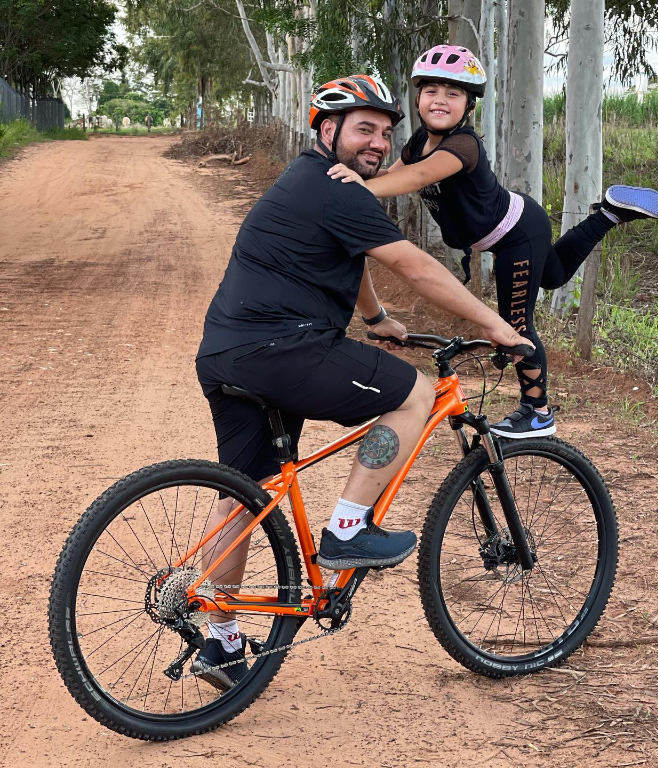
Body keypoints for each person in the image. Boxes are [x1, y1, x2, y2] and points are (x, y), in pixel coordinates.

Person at [192, 74, 530, 690]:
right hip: (283, 349)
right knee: (417, 393)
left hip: (225, 353)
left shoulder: (309, 183)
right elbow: (413, 264)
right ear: (327, 130)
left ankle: (220, 639)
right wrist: (497, 326)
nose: (376, 143)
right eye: (362, 129)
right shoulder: (337, 187)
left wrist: (375, 319)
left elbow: (356, 257)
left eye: (384, 133)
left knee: (247, 489)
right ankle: (347, 529)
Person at [328, 45, 658, 439]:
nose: (440, 99)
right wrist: (360, 176)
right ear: (417, 98)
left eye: (453, 93)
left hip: (515, 234)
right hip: (518, 223)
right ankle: (609, 212)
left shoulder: (463, 146)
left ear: (469, 106)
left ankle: (537, 412)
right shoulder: (418, 141)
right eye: (432, 91)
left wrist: (363, 189)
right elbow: (395, 171)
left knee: (516, 324)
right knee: (555, 276)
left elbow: (415, 179)